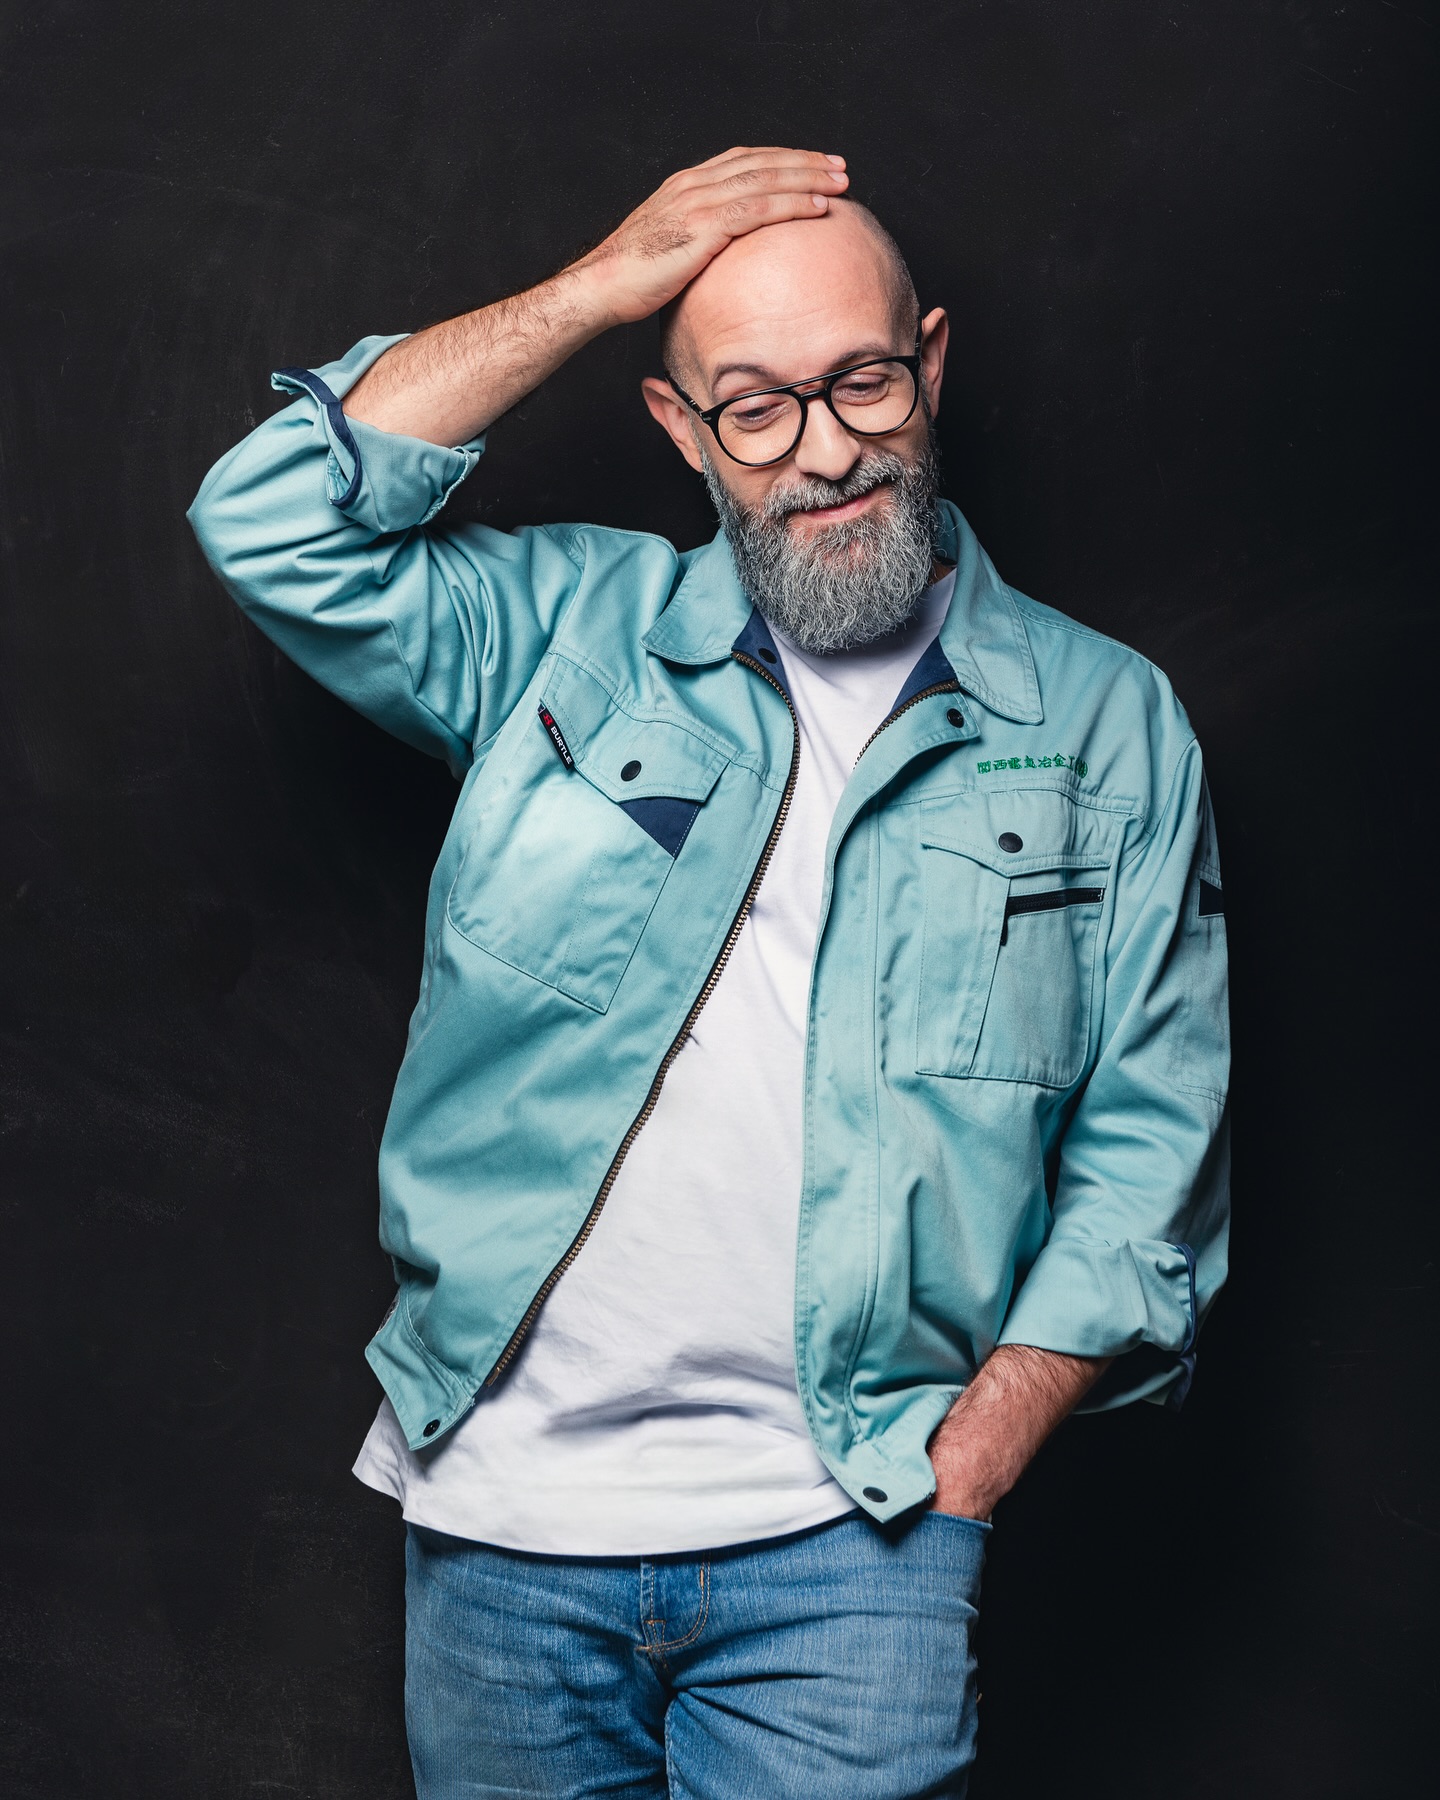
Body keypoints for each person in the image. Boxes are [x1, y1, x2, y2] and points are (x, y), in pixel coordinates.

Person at [188, 146, 1230, 1800]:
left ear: (931, 363)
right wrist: (592, 290)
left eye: (863, 382)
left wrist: (980, 1450)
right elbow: (270, 522)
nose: (825, 449)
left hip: (857, 1543)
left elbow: (1152, 1145)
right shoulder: (558, 636)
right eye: (754, 407)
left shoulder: (1106, 723)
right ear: (679, 428)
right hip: (504, 1535)